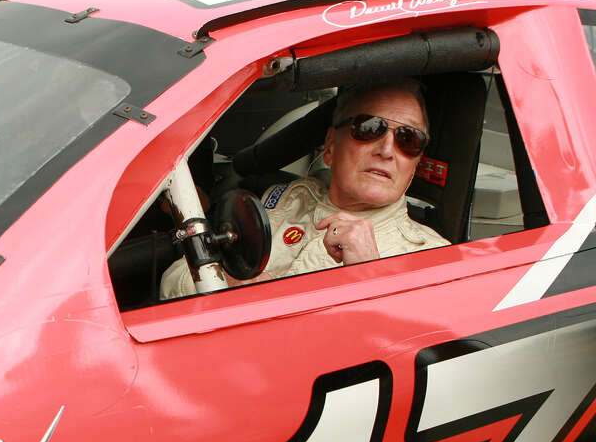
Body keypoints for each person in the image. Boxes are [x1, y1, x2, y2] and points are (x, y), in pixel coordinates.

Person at [160, 78, 450, 300]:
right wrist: (229, 282)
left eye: (408, 139)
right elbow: (174, 280)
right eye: (370, 128)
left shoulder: (434, 260)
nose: (387, 150)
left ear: (414, 166)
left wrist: (369, 277)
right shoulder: (288, 199)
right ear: (331, 147)